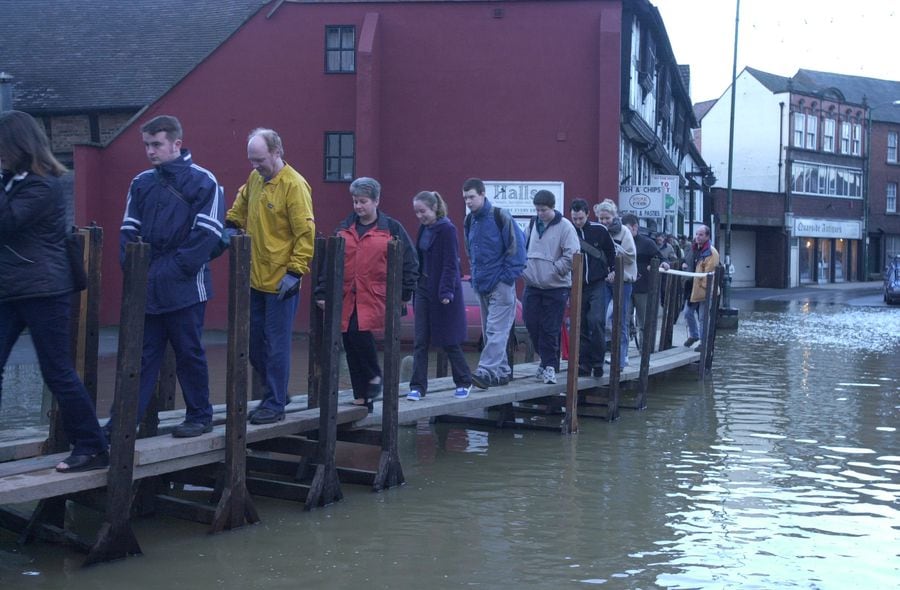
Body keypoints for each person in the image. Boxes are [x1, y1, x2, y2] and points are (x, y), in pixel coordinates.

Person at [0, 110, 108, 471]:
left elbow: (6, 222)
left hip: (44, 289)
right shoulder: (14, 181)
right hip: (12, 289)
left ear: (18, 145)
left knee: (57, 370)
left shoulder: (43, 185)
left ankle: (92, 446)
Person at [117, 115, 223, 438]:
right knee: (142, 354)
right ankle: (125, 420)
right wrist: (136, 271)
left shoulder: (205, 182)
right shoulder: (141, 183)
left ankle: (200, 415)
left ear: (176, 143)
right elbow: (128, 231)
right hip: (149, 285)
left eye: (157, 144)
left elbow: (207, 234)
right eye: (147, 145)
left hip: (187, 285)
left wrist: (167, 271)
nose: (150, 151)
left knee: (188, 351)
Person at [226, 128, 315, 424]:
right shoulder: (255, 180)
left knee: (277, 344)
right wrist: (228, 227)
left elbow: (305, 233)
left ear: (277, 152)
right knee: (254, 343)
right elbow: (239, 209)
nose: (255, 166)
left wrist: (295, 272)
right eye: (251, 160)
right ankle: (276, 394)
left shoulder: (294, 185)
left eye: (260, 160)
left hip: (281, 280)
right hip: (254, 277)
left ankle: (275, 404)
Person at [316, 177, 417, 411]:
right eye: (355, 202)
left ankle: (374, 377)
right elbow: (329, 264)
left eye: (363, 201)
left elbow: (410, 262)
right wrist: (322, 292)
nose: (358, 206)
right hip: (348, 296)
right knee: (349, 340)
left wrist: (404, 293)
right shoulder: (343, 229)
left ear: (376, 201)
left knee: (359, 334)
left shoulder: (391, 228)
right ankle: (362, 395)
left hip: (375, 295)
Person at [407, 191, 472, 401]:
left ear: (434, 208)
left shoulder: (447, 229)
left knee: (448, 339)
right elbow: (419, 258)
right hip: (423, 289)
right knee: (420, 340)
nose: (419, 216)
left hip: (441, 291)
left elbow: (451, 262)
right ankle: (417, 386)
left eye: (422, 211)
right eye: (416, 212)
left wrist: (446, 291)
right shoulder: (424, 228)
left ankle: (463, 381)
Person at [461, 178, 526, 389]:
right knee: (491, 329)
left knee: (495, 331)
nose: (468, 201)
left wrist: (506, 278)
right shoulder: (469, 221)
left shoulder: (500, 216)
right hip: (481, 283)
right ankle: (502, 371)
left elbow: (517, 247)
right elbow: (471, 251)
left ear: (482, 194)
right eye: (465, 198)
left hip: (500, 283)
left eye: (471, 197)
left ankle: (486, 371)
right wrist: (475, 276)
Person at [522, 190, 580, 384]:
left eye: (544, 210)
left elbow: (572, 253)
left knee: (550, 328)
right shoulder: (532, 224)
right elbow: (523, 247)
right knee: (531, 323)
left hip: (556, 286)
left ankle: (549, 366)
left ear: (553, 207)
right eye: (537, 210)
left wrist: (556, 270)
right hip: (532, 284)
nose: (540, 213)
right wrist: (524, 268)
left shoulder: (565, 227)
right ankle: (546, 361)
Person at [569, 198, 616, 377]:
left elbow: (611, 252)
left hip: (597, 282)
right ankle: (583, 363)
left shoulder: (599, 230)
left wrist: (613, 270)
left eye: (580, 218)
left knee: (596, 321)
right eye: (575, 218)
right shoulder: (569, 231)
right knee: (579, 323)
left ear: (588, 215)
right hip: (577, 283)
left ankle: (597, 362)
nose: (578, 221)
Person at [594, 199, 636, 370]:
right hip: (604, 281)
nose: (604, 222)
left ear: (614, 216)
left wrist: (612, 249)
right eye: (601, 219)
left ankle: (621, 357)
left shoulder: (624, 232)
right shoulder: (597, 231)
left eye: (607, 218)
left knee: (621, 320)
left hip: (623, 280)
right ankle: (599, 356)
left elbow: (630, 256)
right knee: (599, 318)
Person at [622, 214, 670, 351]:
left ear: (635, 227)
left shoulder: (647, 243)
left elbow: (661, 258)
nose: (625, 232)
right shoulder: (620, 242)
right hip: (626, 285)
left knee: (645, 322)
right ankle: (622, 353)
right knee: (623, 320)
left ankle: (646, 351)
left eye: (627, 229)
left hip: (643, 288)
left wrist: (664, 264)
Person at [683, 225, 720, 348]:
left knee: (703, 317)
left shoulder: (711, 252)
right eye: (697, 234)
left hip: (704, 289)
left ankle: (704, 343)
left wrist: (703, 288)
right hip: (693, 287)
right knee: (687, 313)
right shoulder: (693, 248)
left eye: (701, 235)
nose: (697, 237)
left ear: (707, 236)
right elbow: (688, 263)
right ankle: (694, 335)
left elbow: (708, 274)